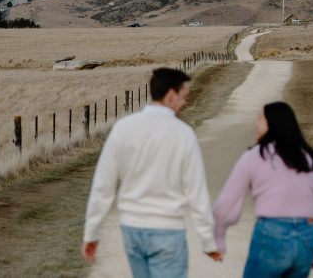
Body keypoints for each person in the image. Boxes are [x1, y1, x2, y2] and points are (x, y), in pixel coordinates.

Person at [83, 67, 223, 278]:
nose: (185, 102)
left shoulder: (123, 128)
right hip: (167, 230)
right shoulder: (183, 134)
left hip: (132, 231)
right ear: (171, 96)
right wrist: (208, 241)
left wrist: (91, 234)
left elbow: (103, 186)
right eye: (183, 96)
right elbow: (197, 193)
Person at [213, 101, 313, 278]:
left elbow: (225, 205)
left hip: (272, 232)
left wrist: (219, 239)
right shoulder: (312, 160)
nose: (256, 123)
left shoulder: (254, 156)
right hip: (307, 236)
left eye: (260, 119)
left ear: (271, 124)